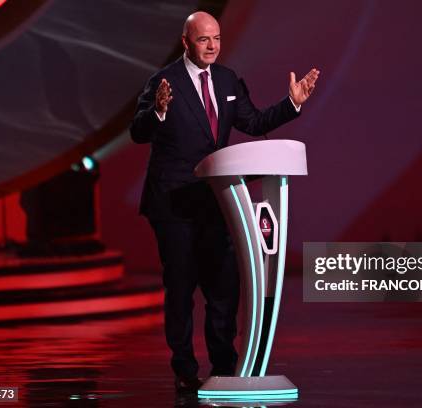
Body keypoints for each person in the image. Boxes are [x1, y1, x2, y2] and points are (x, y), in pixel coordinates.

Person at [130, 11, 319, 393]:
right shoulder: (164, 81)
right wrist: (159, 111)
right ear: (187, 42)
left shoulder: (228, 80)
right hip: (174, 203)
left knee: (223, 287)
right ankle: (184, 369)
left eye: (216, 38)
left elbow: (252, 122)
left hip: (218, 200)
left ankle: (224, 366)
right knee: (181, 287)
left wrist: (291, 104)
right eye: (204, 40)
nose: (213, 45)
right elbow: (138, 131)